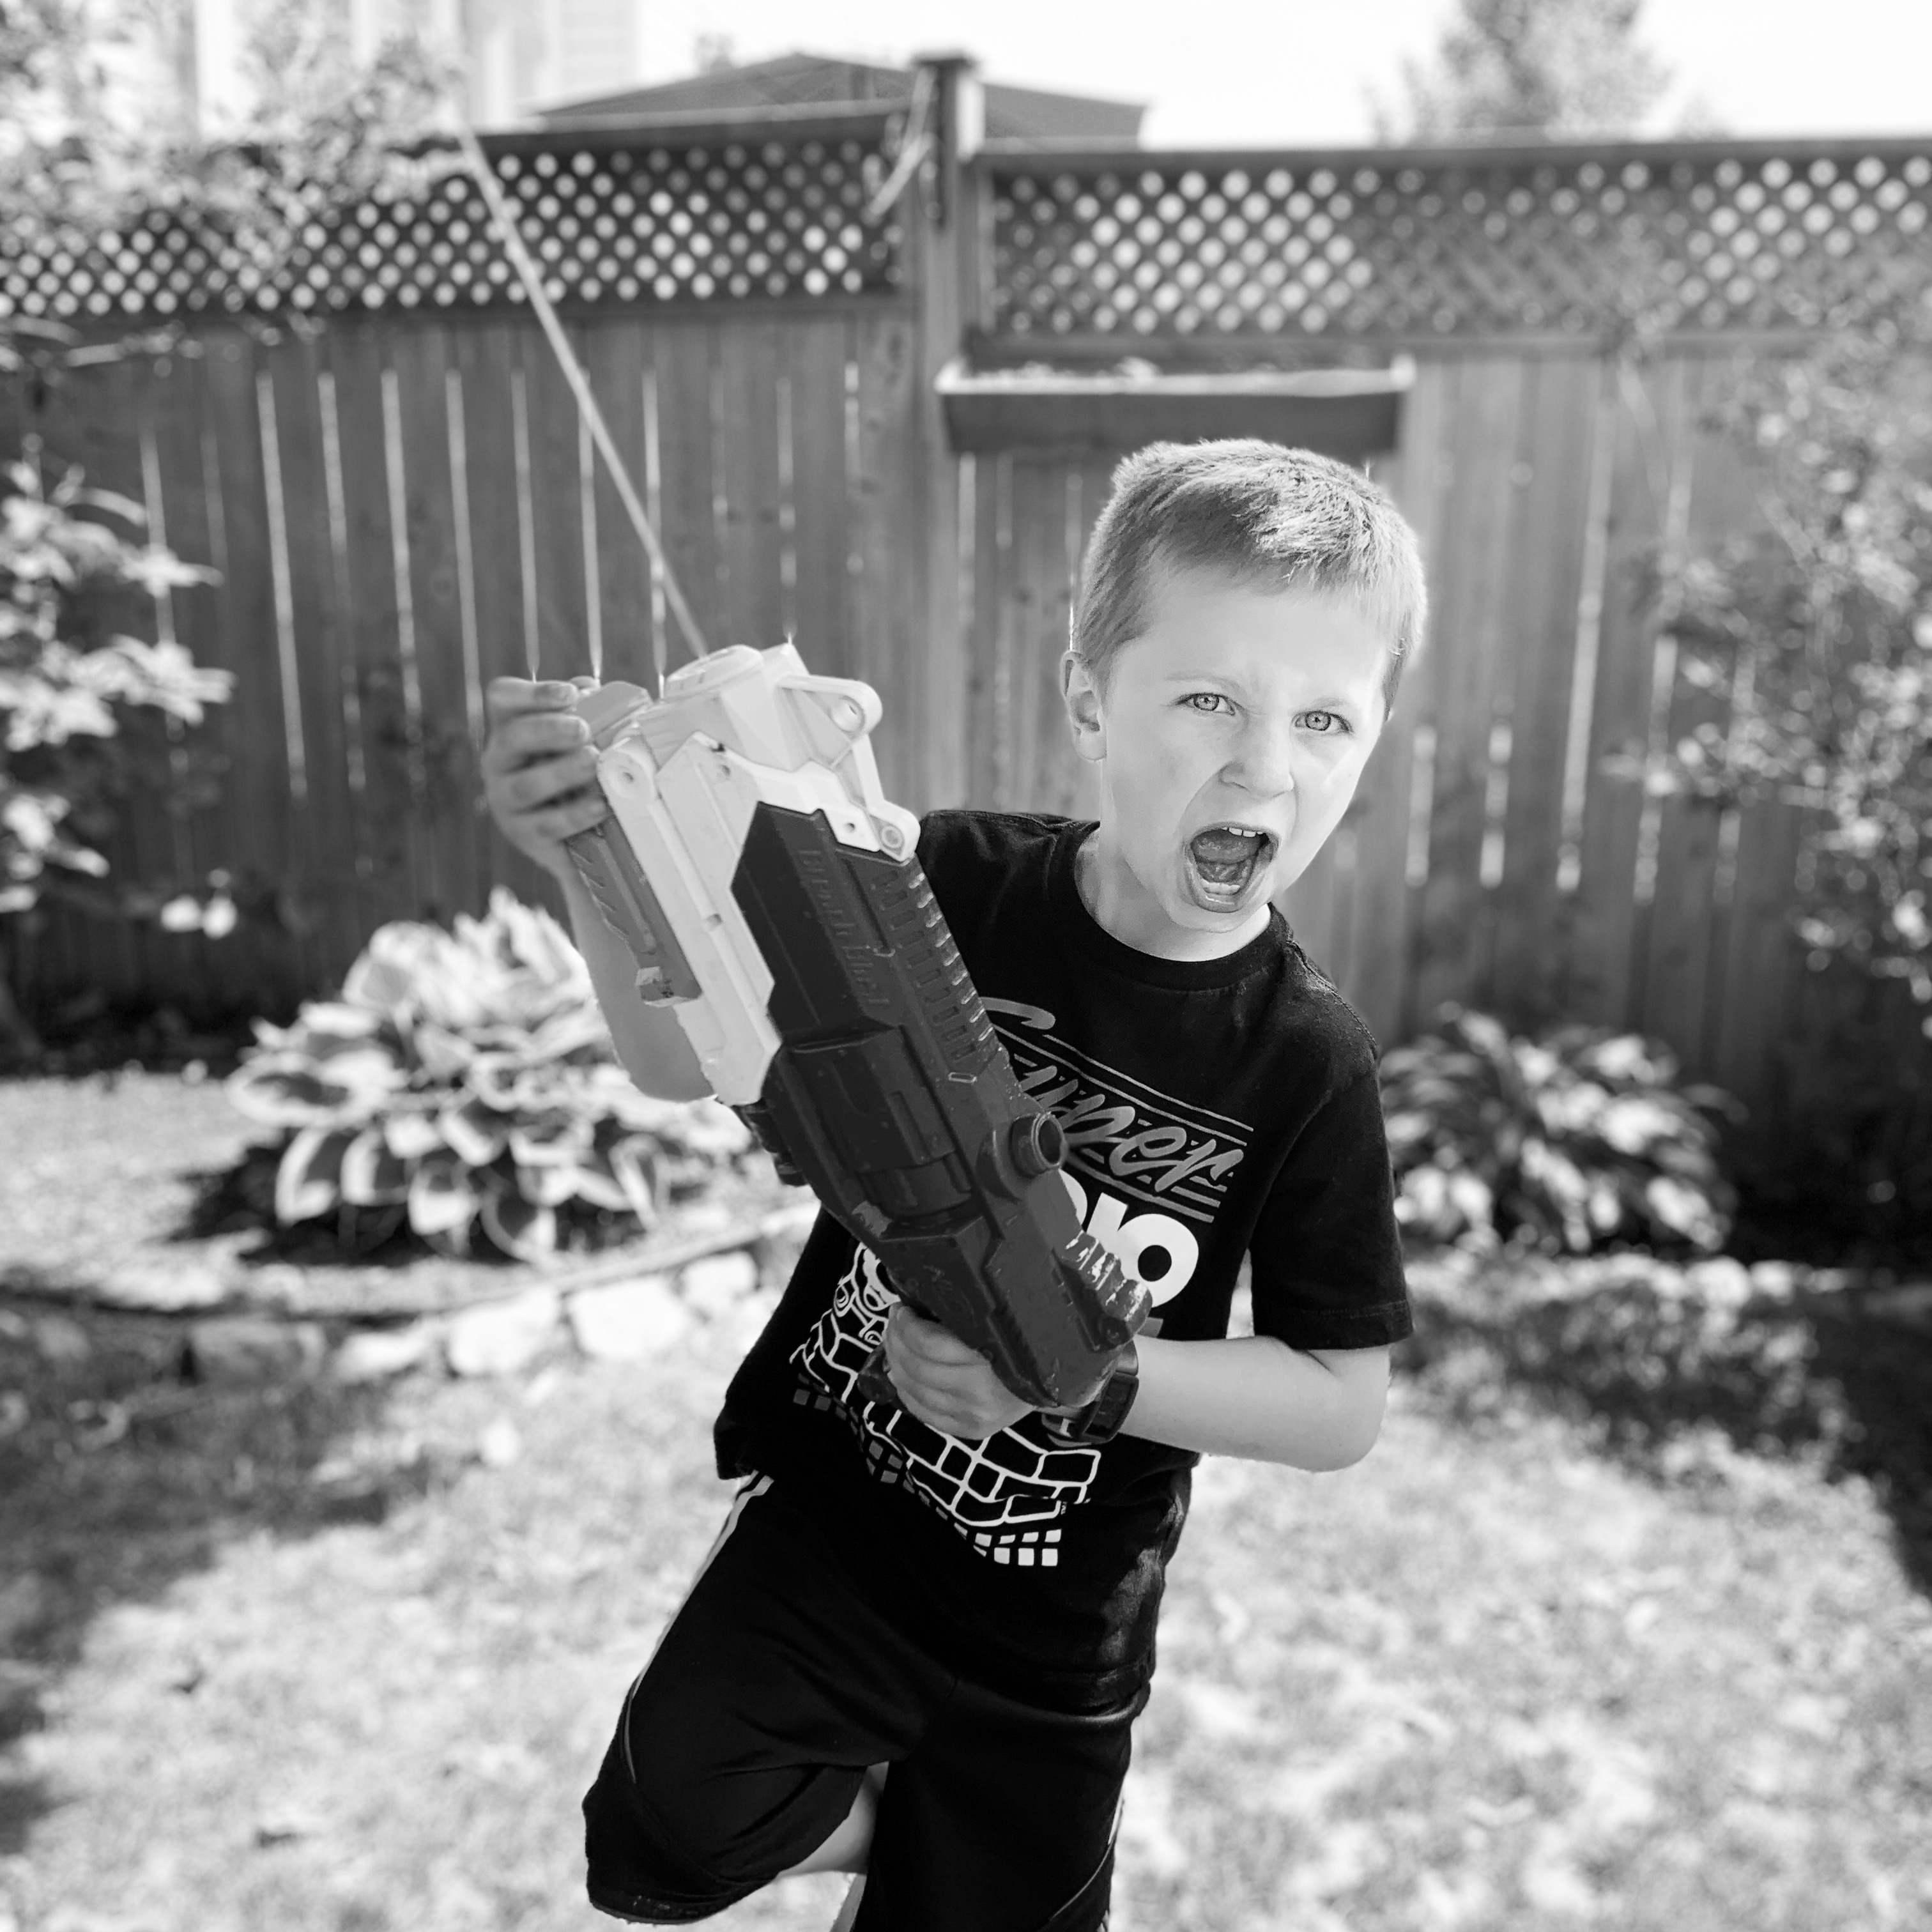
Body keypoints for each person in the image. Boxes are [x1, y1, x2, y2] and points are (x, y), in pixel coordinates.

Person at [480, 440, 1425, 1932]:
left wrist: (1087, 1380)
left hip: (1053, 1640)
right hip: (843, 1533)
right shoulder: (941, 886)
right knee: (653, 1841)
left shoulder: (1310, 1063)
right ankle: (915, 1839)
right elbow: (685, 1060)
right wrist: (596, 861)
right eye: (1208, 699)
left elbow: (1338, 1404)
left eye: (1325, 717)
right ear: (1087, 700)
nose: (1266, 765)